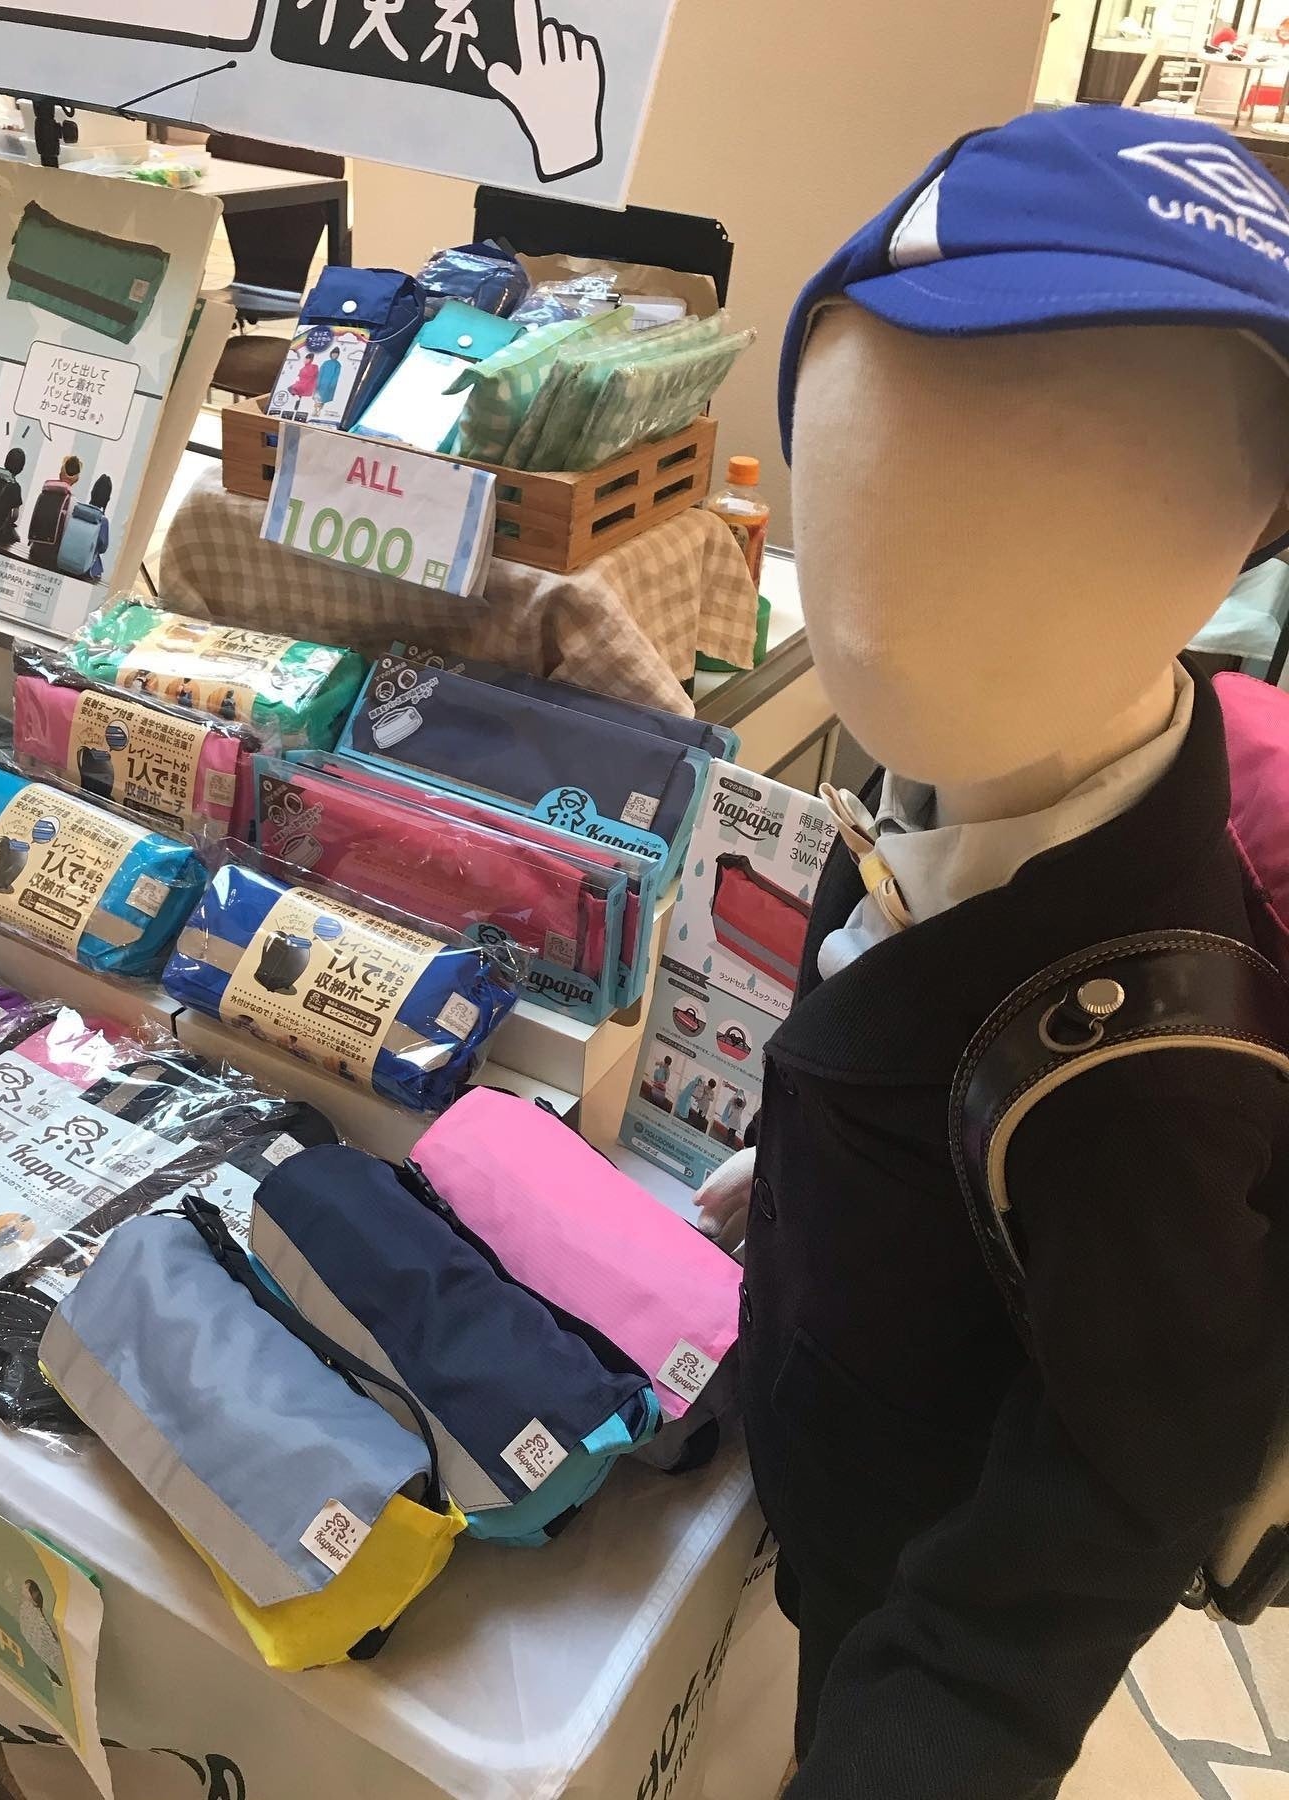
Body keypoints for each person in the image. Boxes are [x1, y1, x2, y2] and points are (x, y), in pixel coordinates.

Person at [698, 108, 1289, 1799]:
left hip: (910, 1551)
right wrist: (792, 1180)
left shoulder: (1161, 1053)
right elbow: (872, 1026)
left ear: (1247, 530)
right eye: (880, 472)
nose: (900, 614)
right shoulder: (921, 782)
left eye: (1089, 497)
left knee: (842, 1689)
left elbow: (1101, 1510)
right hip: (824, 1434)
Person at [314, 345, 344, 419]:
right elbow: (320, 373)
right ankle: (315, 410)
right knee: (317, 397)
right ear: (331, 354)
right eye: (333, 354)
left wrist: (332, 384)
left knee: (323, 399)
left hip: (329, 384)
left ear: (338, 356)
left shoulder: (338, 364)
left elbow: (336, 376)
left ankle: (318, 411)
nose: (334, 355)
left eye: (336, 354)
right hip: (321, 383)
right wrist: (318, 382)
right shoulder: (326, 363)